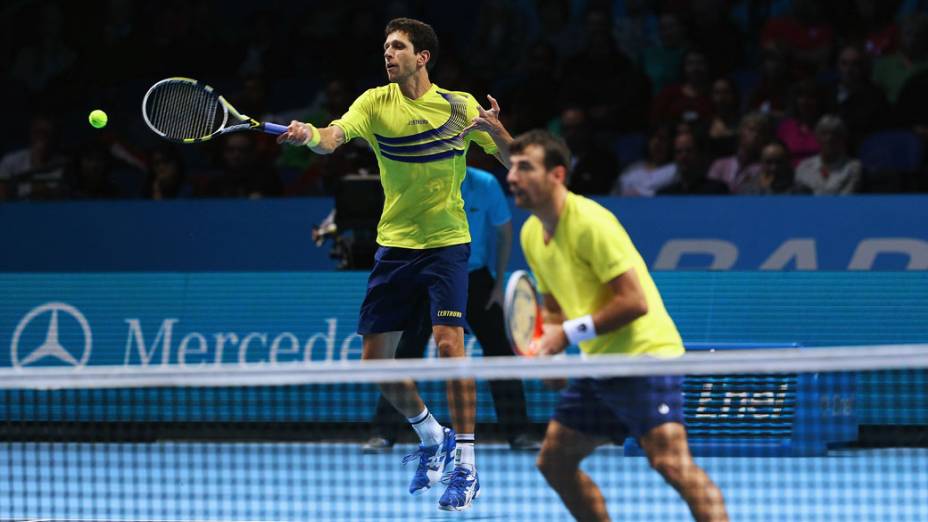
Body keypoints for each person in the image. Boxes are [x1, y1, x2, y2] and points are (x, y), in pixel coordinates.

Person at [277, 18, 513, 512]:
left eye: (398, 47)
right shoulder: (374, 102)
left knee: (451, 345)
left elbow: (517, 162)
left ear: (422, 56)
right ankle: (432, 434)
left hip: (447, 244)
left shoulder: (459, 106)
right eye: (385, 46)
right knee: (375, 367)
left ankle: (467, 465)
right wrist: (308, 135)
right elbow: (333, 136)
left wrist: (498, 132)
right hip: (395, 247)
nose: (388, 54)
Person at [506, 130, 728, 522]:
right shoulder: (530, 235)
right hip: (601, 366)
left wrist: (567, 335)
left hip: (646, 359)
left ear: (557, 175)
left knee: (670, 464)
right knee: (554, 462)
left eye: (525, 167)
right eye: (512, 168)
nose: (512, 177)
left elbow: (634, 302)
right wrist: (549, 350)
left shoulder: (592, 223)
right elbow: (554, 308)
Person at [361, 166, 540, 454]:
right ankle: (384, 432)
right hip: (430, 275)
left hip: (476, 277)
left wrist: (498, 280)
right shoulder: (424, 177)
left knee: (500, 353)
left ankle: (519, 432)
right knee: (404, 353)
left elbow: (504, 233)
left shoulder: (486, 184)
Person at [794, 115, 861, 195]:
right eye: (824, 133)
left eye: (835, 134)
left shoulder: (853, 167)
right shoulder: (803, 167)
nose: (829, 138)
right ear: (817, 137)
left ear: (843, 138)